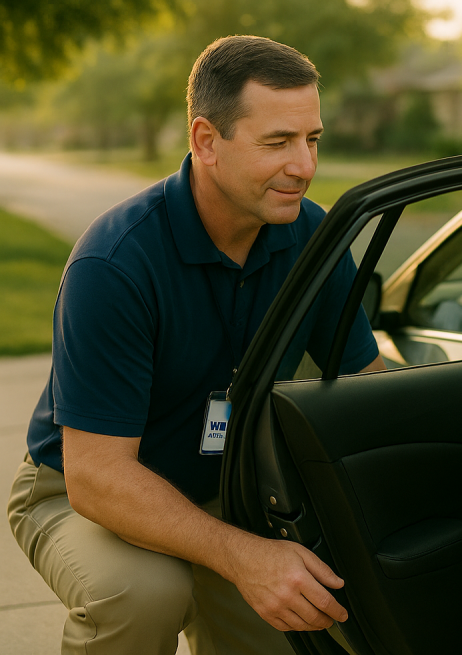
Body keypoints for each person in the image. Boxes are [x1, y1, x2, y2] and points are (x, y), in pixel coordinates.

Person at [7, 35, 386, 655]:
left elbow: (367, 377)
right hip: (82, 492)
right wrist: (245, 556)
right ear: (207, 141)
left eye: (311, 139)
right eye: (278, 142)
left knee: (306, 613)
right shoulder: (117, 261)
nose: (305, 166)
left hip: (231, 486)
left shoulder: (312, 235)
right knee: (143, 592)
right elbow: (96, 477)